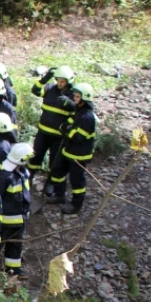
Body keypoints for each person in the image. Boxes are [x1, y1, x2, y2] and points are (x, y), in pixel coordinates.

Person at [46, 83, 97, 214]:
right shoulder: (78, 111)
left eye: (77, 96)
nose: (74, 98)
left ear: (85, 98)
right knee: (57, 171)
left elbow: (79, 136)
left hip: (79, 155)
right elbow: (67, 125)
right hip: (68, 150)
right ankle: (59, 195)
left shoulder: (88, 117)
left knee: (76, 180)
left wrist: (69, 131)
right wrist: (68, 129)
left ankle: (76, 205)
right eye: (75, 95)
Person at [29, 65, 76, 196]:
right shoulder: (50, 89)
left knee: (54, 162)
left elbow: (79, 113)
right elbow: (35, 90)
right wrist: (45, 78)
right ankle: (29, 178)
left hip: (58, 137)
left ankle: (49, 184)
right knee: (35, 157)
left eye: (63, 81)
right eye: (58, 81)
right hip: (43, 133)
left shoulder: (73, 95)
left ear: (69, 81)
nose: (60, 84)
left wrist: (70, 106)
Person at [0, 143, 33, 278]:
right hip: (5, 221)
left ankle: (13, 269)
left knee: (15, 245)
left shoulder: (23, 173)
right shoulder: (6, 176)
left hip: (20, 219)